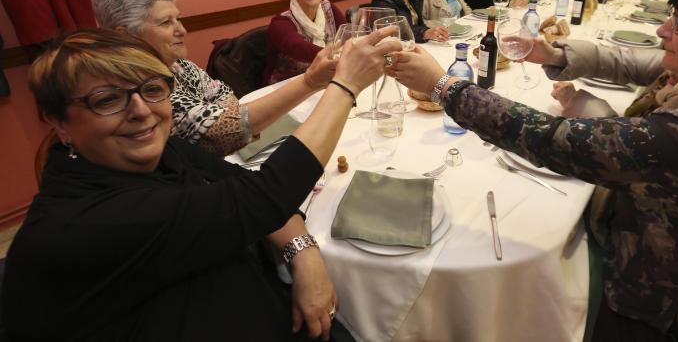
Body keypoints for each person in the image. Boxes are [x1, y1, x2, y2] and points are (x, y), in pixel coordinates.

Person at [389, 0, 678, 341]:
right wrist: (553, 53)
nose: (662, 30)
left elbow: (553, 139)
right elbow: (635, 63)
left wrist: (443, 85)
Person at [1, 26, 401, 342]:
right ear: (60, 125)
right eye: (107, 99)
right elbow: (265, 197)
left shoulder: (155, 153)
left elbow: (245, 185)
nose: (141, 112)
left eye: (152, 89)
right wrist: (345, 86)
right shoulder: (87, 220)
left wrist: (304, 251)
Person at [93, 0, 336, 156]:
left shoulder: (178, 66)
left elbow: (223, 94)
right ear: (125, 35)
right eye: (166, 23)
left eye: (178, 19)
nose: (182, 30)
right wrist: (310, 81)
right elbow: (219, 132)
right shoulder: (132, 87)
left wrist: (228, 119)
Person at [264, 0, 347, 85]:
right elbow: (298, 48)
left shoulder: (330, 10)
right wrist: (336, 54)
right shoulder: (280, 23)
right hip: (286, 89)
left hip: (326, 81)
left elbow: (348, 39)